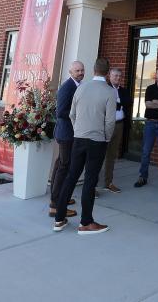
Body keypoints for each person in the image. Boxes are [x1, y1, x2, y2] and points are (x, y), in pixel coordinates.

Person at [53, 57, 116, 235]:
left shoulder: (81, 88)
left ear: (94, 70)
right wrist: (106, 138)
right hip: (97, 140)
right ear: (107, 72)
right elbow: (110, 122)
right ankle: (86, 222)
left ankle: (59, 218)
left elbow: (72, 114)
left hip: (79, 138)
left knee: (71, 176)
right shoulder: (110, 92)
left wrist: (79, 130)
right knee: (90, 180)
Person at [49, 61, 83, 218]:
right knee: (64, 166)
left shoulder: (78, 85)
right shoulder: (67, 87)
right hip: (66, 134)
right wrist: (77, 114)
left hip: (69, 133)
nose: (80, 72)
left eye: (82, 70)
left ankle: (59, 198)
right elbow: (60, 112)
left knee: (60, 164)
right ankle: (55, 205)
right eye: (77, 70)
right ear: (70, 72)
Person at [134, 68, 158, 189]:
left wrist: (156, 101)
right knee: (146, 152)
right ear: (155, 76)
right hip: (150, 124)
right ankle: (143, 177)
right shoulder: (150, 88)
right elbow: (147, 104)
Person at [101, 67, 132, 193]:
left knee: (112, 156)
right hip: (106, 125)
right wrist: (119, 102)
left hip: (119, 125)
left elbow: (128, 102)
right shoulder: (104, 89)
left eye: (119, 76)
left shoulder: (123, 91)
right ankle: (92, 186)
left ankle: (108, 183)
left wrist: (118, 102)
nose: (117, 78)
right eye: (115, 76)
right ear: (109, 76)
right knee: (99, 155)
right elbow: (107, 104)